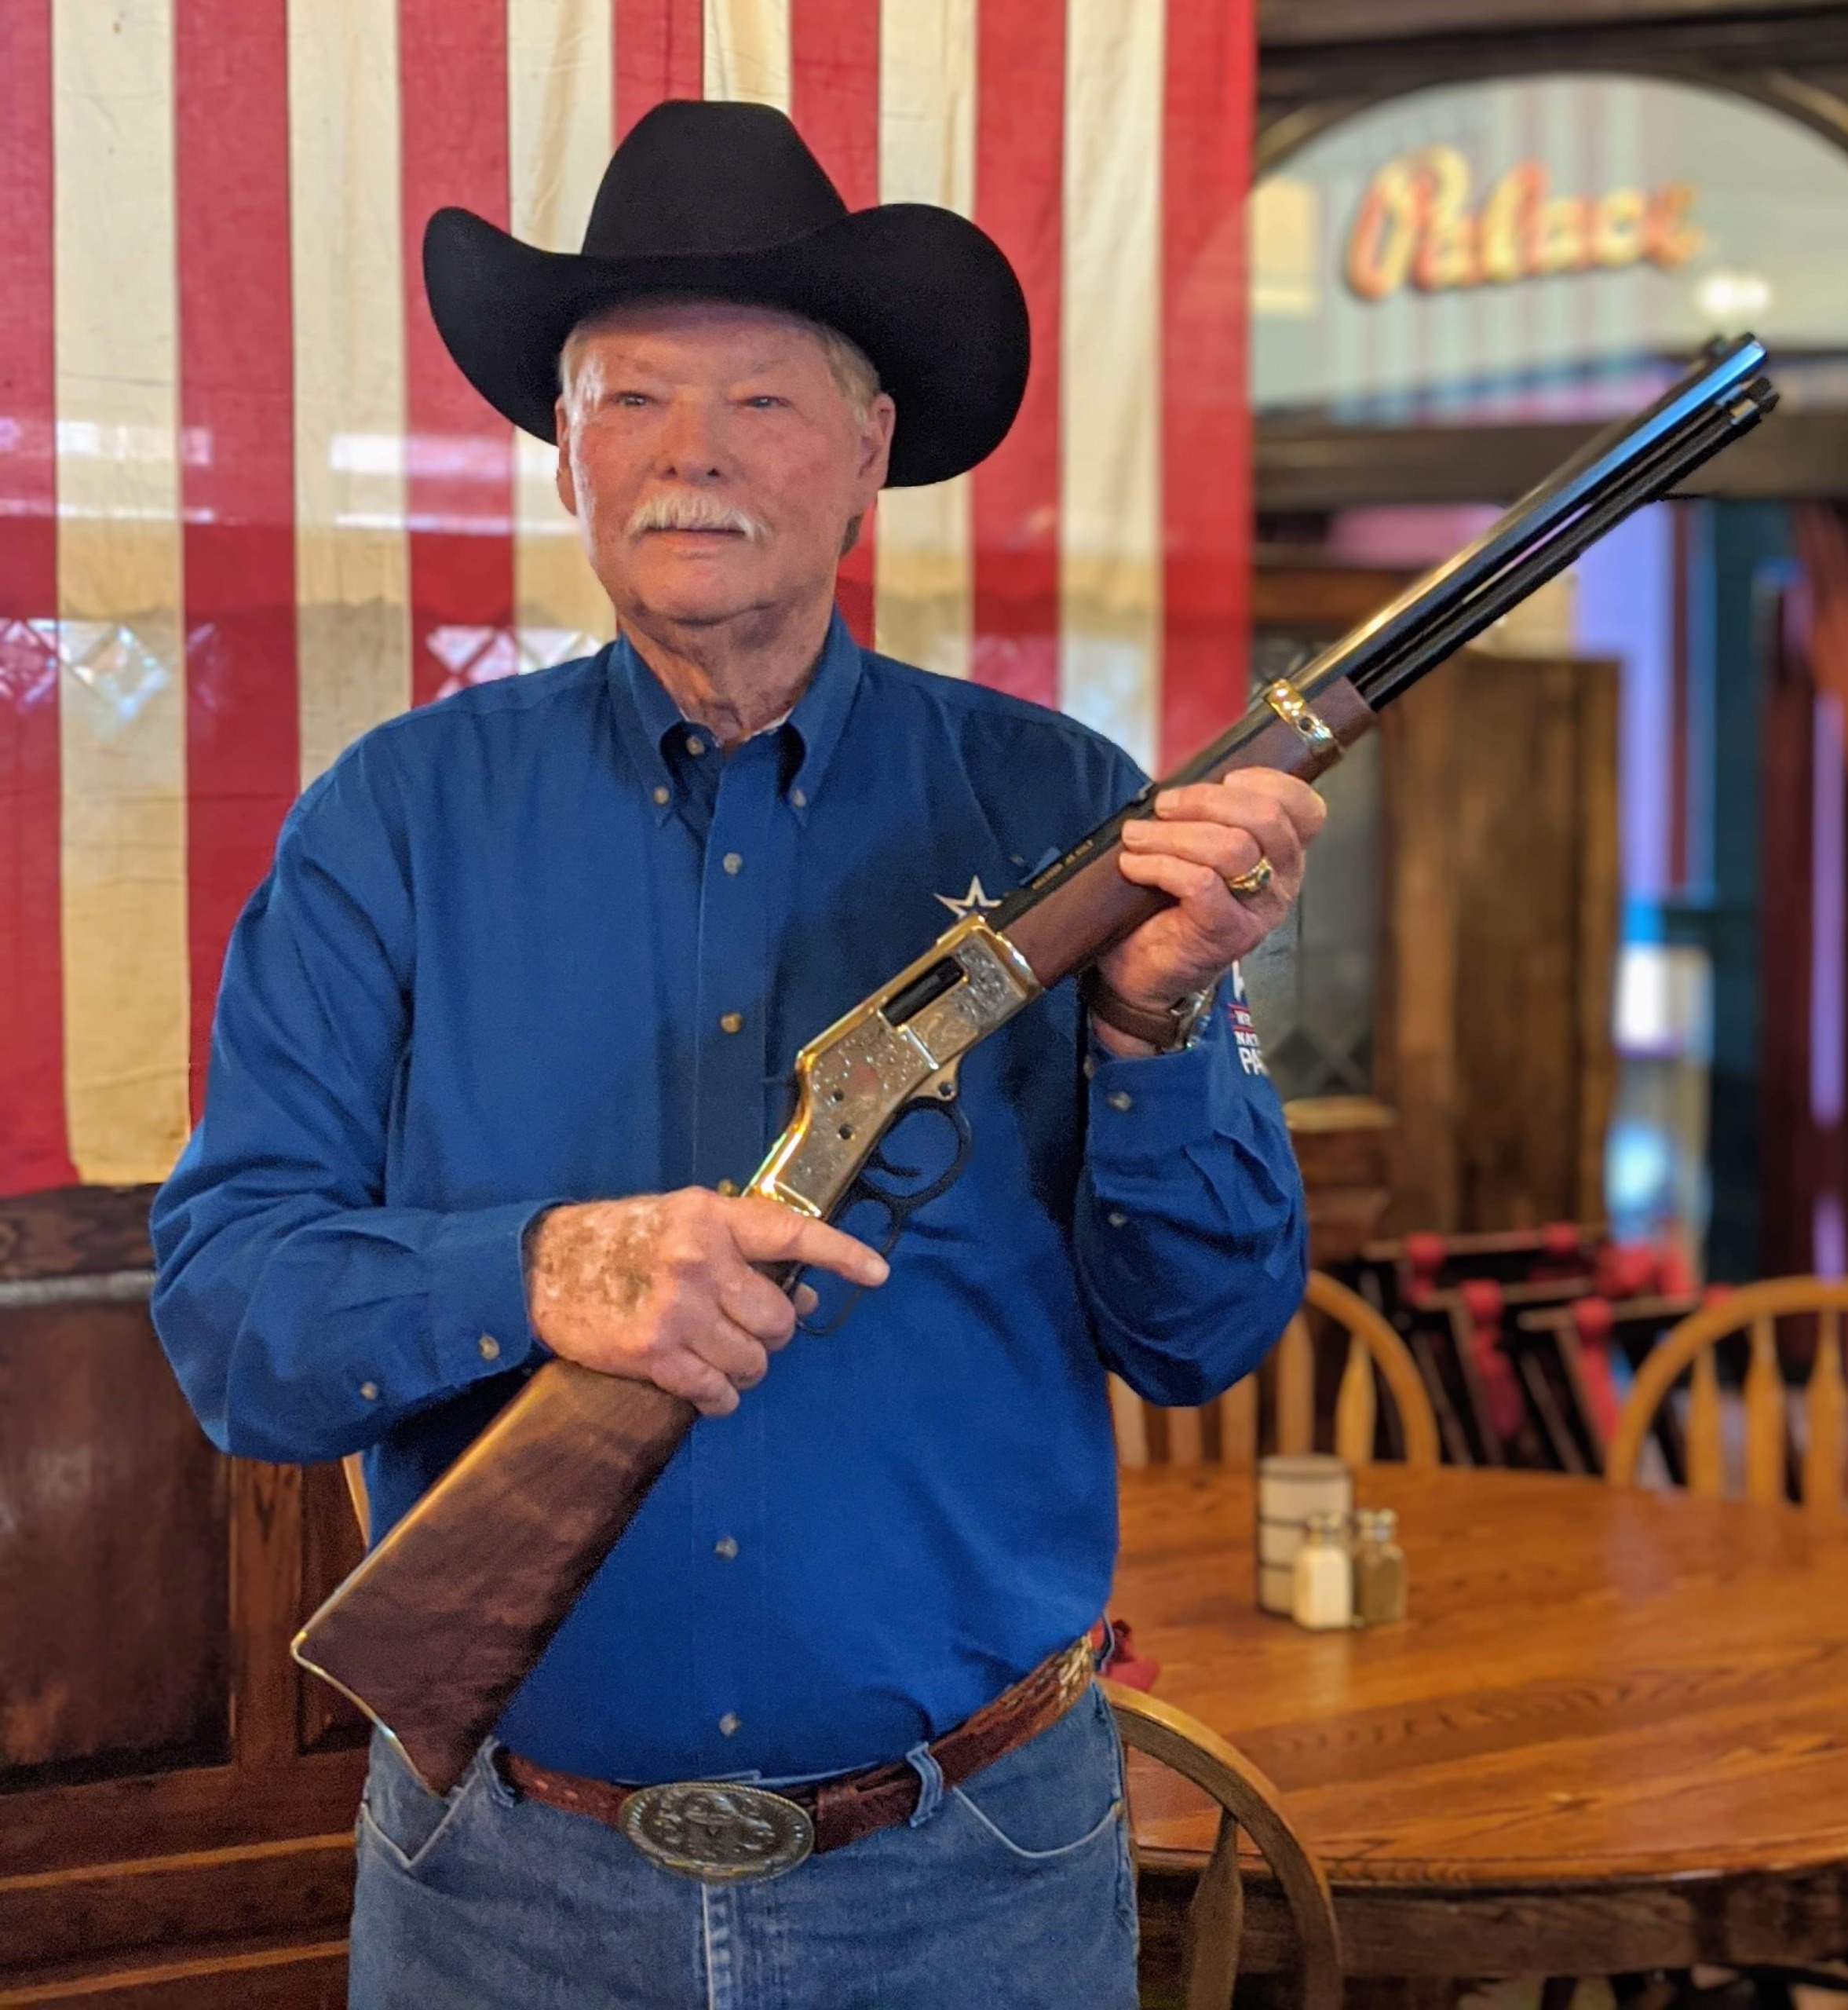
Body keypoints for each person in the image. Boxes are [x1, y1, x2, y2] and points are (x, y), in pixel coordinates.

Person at [151, 100, 1326, 2010]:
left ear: (871, 454)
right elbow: (227, 1319)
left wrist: (1153, 1012)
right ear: (561, 458)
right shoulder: (394, 818)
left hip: (970, 1875)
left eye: (764, 400)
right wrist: (548, 1269)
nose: (690, 453)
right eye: (627, 399)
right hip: (506, 1884)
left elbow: (1202, 1331)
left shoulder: (1069, 813)